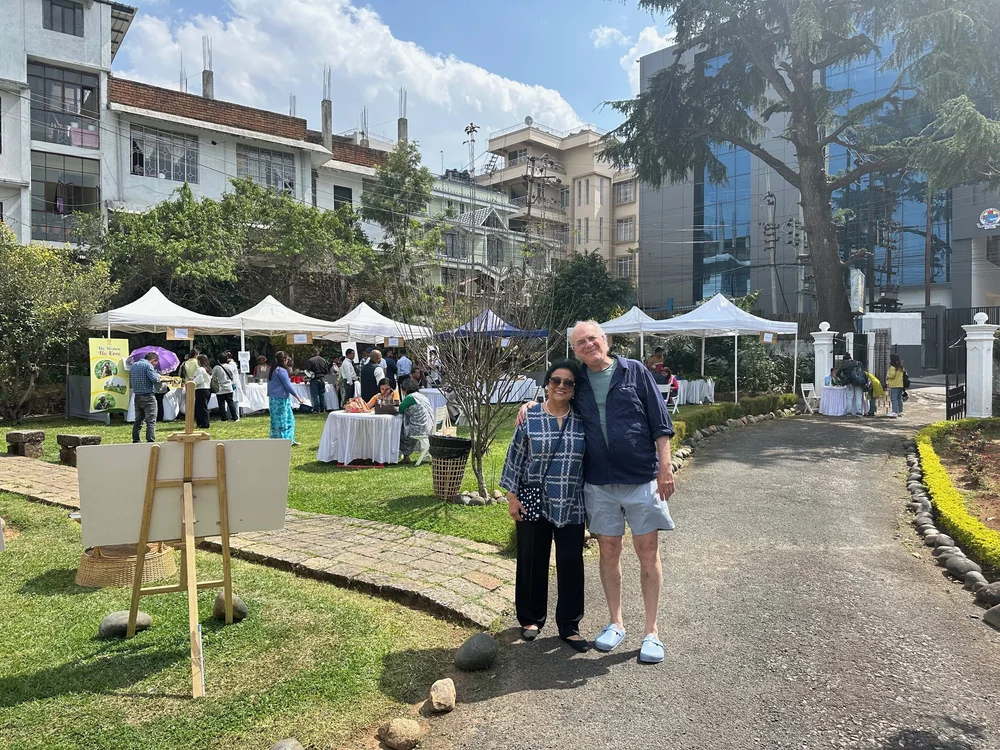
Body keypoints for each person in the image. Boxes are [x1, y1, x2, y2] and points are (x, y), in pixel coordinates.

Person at [519, 320, 676, 664]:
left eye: (592, 338)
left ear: (604, 340)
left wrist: (665, 466)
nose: (588, 345)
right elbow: (556, 396)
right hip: (598, 483)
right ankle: (616, 622)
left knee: (647, 551)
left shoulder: (634, 371)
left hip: (640, 478)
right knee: (608, 549)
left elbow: (659, 421)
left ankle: (651, 631)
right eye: (580, 342)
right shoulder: (579, 381)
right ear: (574, 350)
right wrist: (531, 405)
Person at [502, 360, 589, 652]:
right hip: (533, 499)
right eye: (556, 380)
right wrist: (512, 497)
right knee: (532, 560)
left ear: (575, 389)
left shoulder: (583, 419)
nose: (561, 386)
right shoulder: (531, 416)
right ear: (547, 384)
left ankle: (569, 625)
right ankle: (530, 619)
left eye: (568, 382)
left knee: (571, 563)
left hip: (572, 501)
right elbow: (515, 456)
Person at [268, 351, 304, 444]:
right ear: (284, 360)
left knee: (276, 420)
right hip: (281, 399)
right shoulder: (281, 371)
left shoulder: (272, 370)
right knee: (286, 420)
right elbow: (288, 386)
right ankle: (286, 440)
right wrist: (298, 397)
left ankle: (276, 439)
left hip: (273, 399)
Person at [398, 377, 435, 464]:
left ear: (405, 389)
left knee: (401, 430)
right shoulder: (421, 396)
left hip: (420, 429)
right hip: (429, 426)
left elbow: (400, 409)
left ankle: (406, 456)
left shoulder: (410, 397)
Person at [130, 352, 161, 443]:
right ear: (153, 360)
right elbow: (154, 379)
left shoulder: (134, 365)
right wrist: (158, 376)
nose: (155, 365)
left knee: (138, 421)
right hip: (148, 397)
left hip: (137, 396)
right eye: (156, 363)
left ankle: (136, 440)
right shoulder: (148, 366)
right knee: (150, 421)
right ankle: (150, 440)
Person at [212, 356, 238, 421]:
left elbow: (213, 377)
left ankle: (224, 418)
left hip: (220, 388)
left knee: (221, 404)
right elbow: (232, 376)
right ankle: (234, 416)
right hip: (229, 387)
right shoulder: (230, 367)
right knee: (230, 403)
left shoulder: (216, 368)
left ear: (218, 360)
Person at [305, 347, 331, 413]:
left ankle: (316, 409)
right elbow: (326, 371)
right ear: (318, 352)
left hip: (314, 379)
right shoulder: (323, 360)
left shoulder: (310, 360)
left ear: (312, 353)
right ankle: (323, 408)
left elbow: (308, 371)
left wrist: (307, 379)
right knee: (322, 394)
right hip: (322, 378)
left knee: (315, 394)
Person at [193, 354, 213, 429]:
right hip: (207, 389)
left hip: (201, 389)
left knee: (202, 408)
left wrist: (192, 381)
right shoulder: (208, 369)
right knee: (202, 407)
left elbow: (199, 379)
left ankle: (205, 423)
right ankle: (201, 423)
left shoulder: (200, 369)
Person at [221, 351, 242, 421]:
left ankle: (236, 416)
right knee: (230, 400)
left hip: (234, 383)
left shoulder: (231, 364)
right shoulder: (229, 364)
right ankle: (230, 416)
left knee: (235, 400)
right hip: (231, 383)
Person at [887, 353, 906, 417]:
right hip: (900, 384)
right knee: (899, 398)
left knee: (893, 398)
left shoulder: (892, 367)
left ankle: (894, 411)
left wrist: (888, 376)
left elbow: (892, 376)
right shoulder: (901, 367)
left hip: (894, 385)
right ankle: (900, 411)